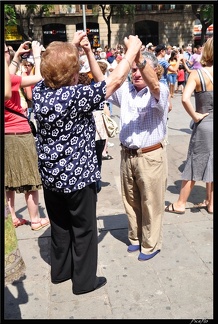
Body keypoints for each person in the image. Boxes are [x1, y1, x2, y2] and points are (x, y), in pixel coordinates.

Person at [31, 31, 142, 295]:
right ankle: (84, 282)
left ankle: (60, 273)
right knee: (84, 230)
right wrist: (131, 50)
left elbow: (56, 67)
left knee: (60, 227)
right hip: (78, 177)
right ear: (70, 75)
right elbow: (114, 81)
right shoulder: (75, 97)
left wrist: (76, 47)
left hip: (51, 177)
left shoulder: (39, 92)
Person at [105, 50, 169, 261]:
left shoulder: (160, 90)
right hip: (128, 155)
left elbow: (156, 87)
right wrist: (88, 52)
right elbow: (101, 80)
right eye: (133, 70)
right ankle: (135, 238)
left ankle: (151, 244)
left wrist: (139, 58)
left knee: (151, 203)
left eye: (140, 69)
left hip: (150, 157)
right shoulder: (127, 90)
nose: (136, 74)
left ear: (151, 69)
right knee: (131, 201)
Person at [4, 41, 50, 231]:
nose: (10, 52)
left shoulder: (9, 78)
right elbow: (39, 77)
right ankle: (36, 219)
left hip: (6, 133)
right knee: (31, 180)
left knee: (9, 181)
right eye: (7, 50)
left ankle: (12, 217)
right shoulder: (11, 80)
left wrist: (15, 58)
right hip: (20, 133)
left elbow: (11, 75)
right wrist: (37, 56)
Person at [165, 37, 213, 215]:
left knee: (194, 162)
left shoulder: (197, 73)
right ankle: (211, 203)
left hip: (205, 124)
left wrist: (195, 116)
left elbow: (185, 98)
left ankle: (180, 203)